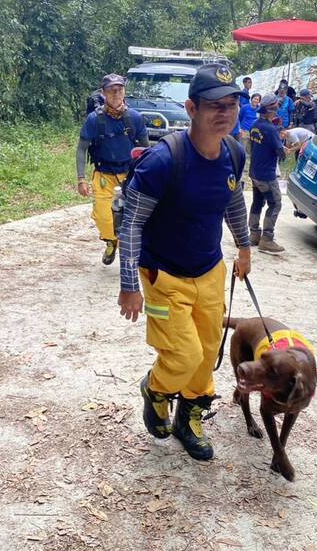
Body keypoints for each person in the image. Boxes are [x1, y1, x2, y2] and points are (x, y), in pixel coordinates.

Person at [117, 63, 251, 461]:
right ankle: (156, 390)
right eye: (214, 105)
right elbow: (131, 224)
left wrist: (244, 248)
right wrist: (128, 285)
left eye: (231, 104)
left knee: (208, 352)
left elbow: (233, 199)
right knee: (184, 354)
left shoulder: (233, 152)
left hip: (210, 270)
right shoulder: (163, 161)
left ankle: (188, 417)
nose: (224, 112)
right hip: (163, 275)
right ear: (192, 108)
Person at [77, 74, 149, 265]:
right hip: (103, 175)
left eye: (120, 90)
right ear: (104, 93)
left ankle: (130, 249)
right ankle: (111, 241)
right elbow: (82, 148)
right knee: (103, 217)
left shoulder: (135, 118)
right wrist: (81, 178)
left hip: (129, 175)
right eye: (111, 90)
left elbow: (145, 149)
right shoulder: (94, 120)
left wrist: (148, 175)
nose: (116, 94)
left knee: (133, 215)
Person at [248, 93, 286, 254]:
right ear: (273, 110)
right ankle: (267, 239)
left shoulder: (255, 125)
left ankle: (254, 234)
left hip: (254, 171)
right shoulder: (270, 130)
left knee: (257, 201)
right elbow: (281, 154)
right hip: (266, 175)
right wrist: (283, 141)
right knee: (275, 203)